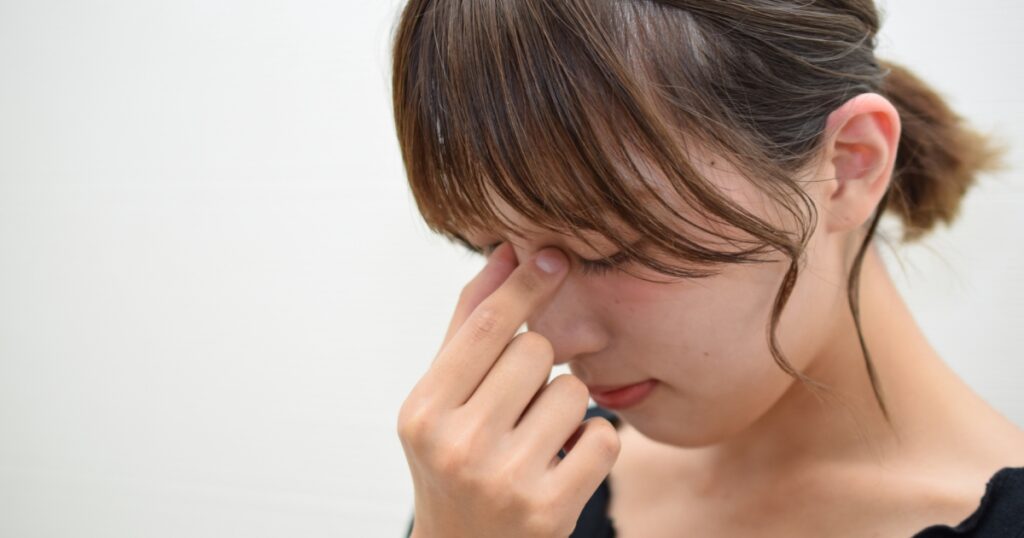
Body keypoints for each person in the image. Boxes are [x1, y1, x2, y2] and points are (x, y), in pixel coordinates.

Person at [388, 1, 1024, 536]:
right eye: (490, 250)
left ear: (849, 165)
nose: (552, 340)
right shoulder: (510, 494)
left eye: (608, 250)